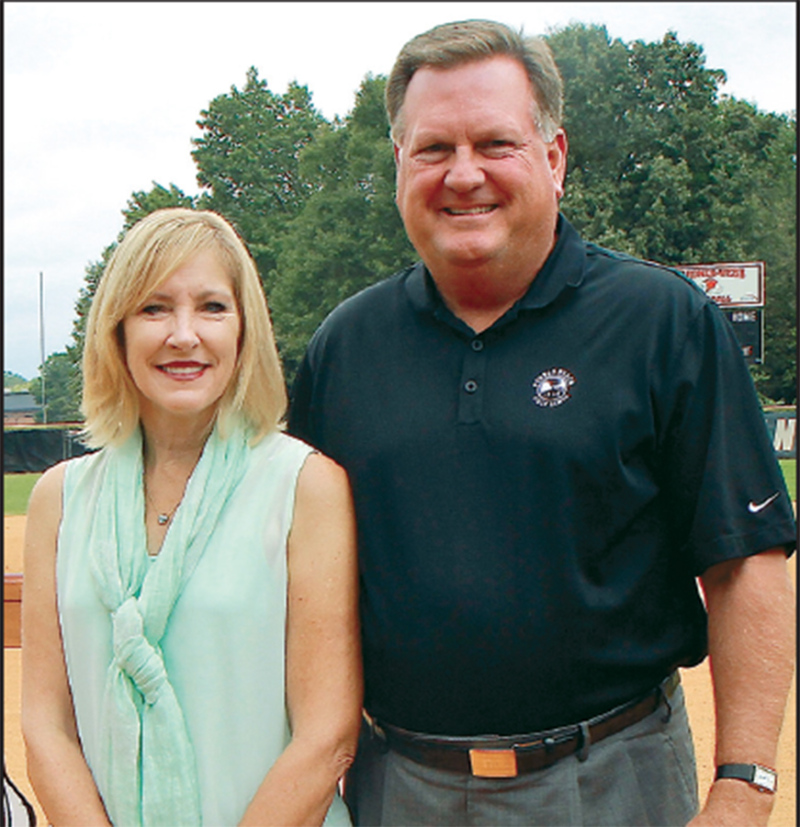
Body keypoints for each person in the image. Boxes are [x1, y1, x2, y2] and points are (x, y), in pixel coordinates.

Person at [288, 19, 796, 827]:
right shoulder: (345, 348)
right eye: (432, 149)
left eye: (496, 143)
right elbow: (300, 586)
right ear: (398, 166)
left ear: (554, 159)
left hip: (614, 776)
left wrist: (743, 786)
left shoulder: (663, 323)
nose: (463, 175)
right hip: (400, 785)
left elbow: (746, 562)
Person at [21, 208, 362, 827]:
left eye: (211, 307)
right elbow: (47, 728)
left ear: (243, 330)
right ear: (117, 332)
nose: (184, 334)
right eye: (154, 308)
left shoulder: (305, 485)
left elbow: (327, 734)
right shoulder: (59, 500)